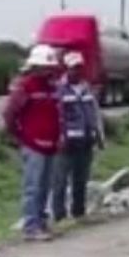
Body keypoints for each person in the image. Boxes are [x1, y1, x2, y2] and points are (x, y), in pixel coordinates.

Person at [2, 44, 62, 242]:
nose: (49, 71)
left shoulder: (53, 87)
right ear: (35, 66)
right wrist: (18, 135)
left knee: (45, 187)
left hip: (50, 145)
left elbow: (58, 114)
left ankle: (41, 222)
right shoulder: (25, 87)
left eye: (50, 67)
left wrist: (59, 137)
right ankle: (31, 226)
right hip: (33, 144)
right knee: (33, 187)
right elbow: (9, 113)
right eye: (46, 67)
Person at [50, 51, 105, 223]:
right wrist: (59, 137)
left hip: (86, 141)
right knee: (60, 180)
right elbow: (56, 116)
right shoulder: (59, 89)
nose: (77, 71)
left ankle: (79, 212)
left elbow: (94, 113)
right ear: (67, 69)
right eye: (73, 68)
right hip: (66, 143)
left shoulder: (86, 88)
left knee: (81, 179)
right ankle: (59, 215)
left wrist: (99, 136)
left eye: (79, 67)